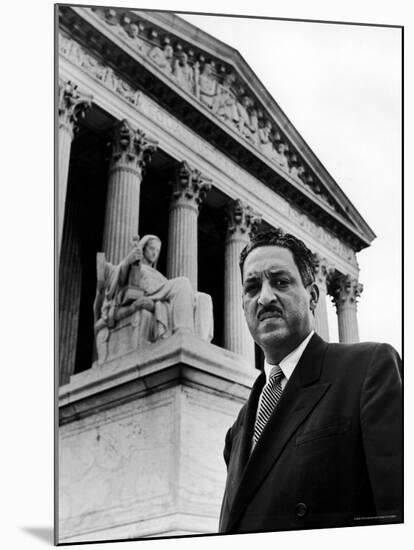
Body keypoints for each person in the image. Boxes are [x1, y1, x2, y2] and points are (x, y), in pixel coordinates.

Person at [219, 229, 402, 534]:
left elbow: (398, 515)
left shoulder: (369, 369)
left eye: (280, 282)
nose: (264, 298)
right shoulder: (237, 428)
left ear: (313, 296)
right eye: (252, 287)